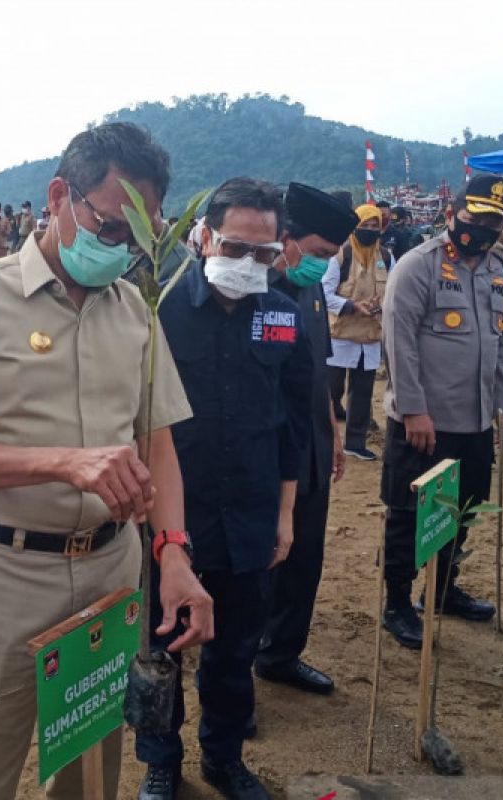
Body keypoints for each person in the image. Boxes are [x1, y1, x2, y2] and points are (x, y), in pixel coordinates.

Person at [0, 122, 213, 800]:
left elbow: (156, 443)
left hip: (109, 572)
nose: (121, 251)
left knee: (88, 773)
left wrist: (172, 553)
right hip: (0, 576)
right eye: (109, 227)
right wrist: (66, 463)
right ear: (57, 197)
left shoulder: (136, 308)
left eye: (137, 238)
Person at [137, 178, 313, 800]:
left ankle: (224, 756)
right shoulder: (158, 311)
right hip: (174, 517)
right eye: (236, 249)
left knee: (235, 648)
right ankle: (161, 760)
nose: (248, 265)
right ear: (205, 236)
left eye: (264, 255)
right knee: (163, 646)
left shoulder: (284, 318)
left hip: (252, 513)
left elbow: (294, 425)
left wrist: (286, 514)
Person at [379, 175, 503, 649]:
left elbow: (502, 342)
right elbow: (399, 344)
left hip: (475, 420)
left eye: (494, 222)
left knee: (464, 510)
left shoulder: (498, 268)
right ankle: (397, 602)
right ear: (452, 212)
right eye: (476, 217)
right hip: (425, 425)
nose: (483, 229)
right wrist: (414, 410)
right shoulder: (419, 266)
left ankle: (440, 590)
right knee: (407, 514)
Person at [255, 183, 358, 697]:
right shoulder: (252, 290)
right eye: (318, 254)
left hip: (313, 443)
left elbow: (316, 368)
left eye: (329, 257)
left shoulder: (309, 286)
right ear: (287, 239)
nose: (322, 266)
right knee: (260, 566)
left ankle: (281, 654)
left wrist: (333, 430)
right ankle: (242, 663)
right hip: (267, 453)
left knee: (305, 560)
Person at [322, 203, 393, 461]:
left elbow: (393, 290)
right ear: (355, 226)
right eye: (366, 225)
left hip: (370, 335)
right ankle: (324, 440)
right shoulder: (341, 255)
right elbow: (324, 293)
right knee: (332, 391)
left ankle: (355, 441)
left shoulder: (385, 255)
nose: (371, 229)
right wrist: (352, 306)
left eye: (376, 225)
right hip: (341, 335)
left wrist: (380, 305)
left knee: (362, 393)